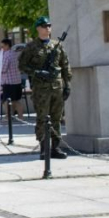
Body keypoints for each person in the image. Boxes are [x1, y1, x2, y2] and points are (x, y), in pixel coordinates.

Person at [18, 16, 71, 160]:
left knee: (56, 118)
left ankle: (55, 147)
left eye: (49, 25)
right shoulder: (31, 47)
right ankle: (44, 148)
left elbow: (65, 66)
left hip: (57, 86)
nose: (47, 28)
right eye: (44, 26)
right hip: (41, 88)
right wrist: (37, 72)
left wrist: (68, 85)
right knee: (42, 118)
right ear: (38, 28)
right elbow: (22, 65)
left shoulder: (57, 45)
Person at [0, 39, 24, 120]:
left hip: (8, 82)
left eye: (2, 46)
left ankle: (8, 116)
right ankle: (20, 116)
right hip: (17, 81)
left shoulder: (6, 55)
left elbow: (3, 69)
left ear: (7, 45)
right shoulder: (15, 54)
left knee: (7, 101)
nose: (1, 48)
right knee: (16, 100)